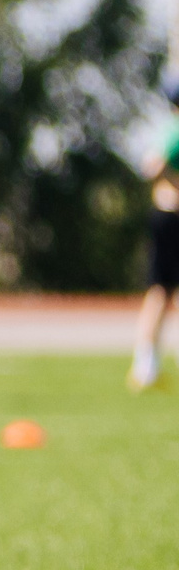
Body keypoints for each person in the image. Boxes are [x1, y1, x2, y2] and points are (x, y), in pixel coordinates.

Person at [130, 73, 179, 391]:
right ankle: (146, 364)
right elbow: (152, 164)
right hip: (170, 216)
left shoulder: (168, 128)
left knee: (160, 291)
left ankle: (146, 363)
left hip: (165, 216)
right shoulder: (174, 131)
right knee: (161, 290)